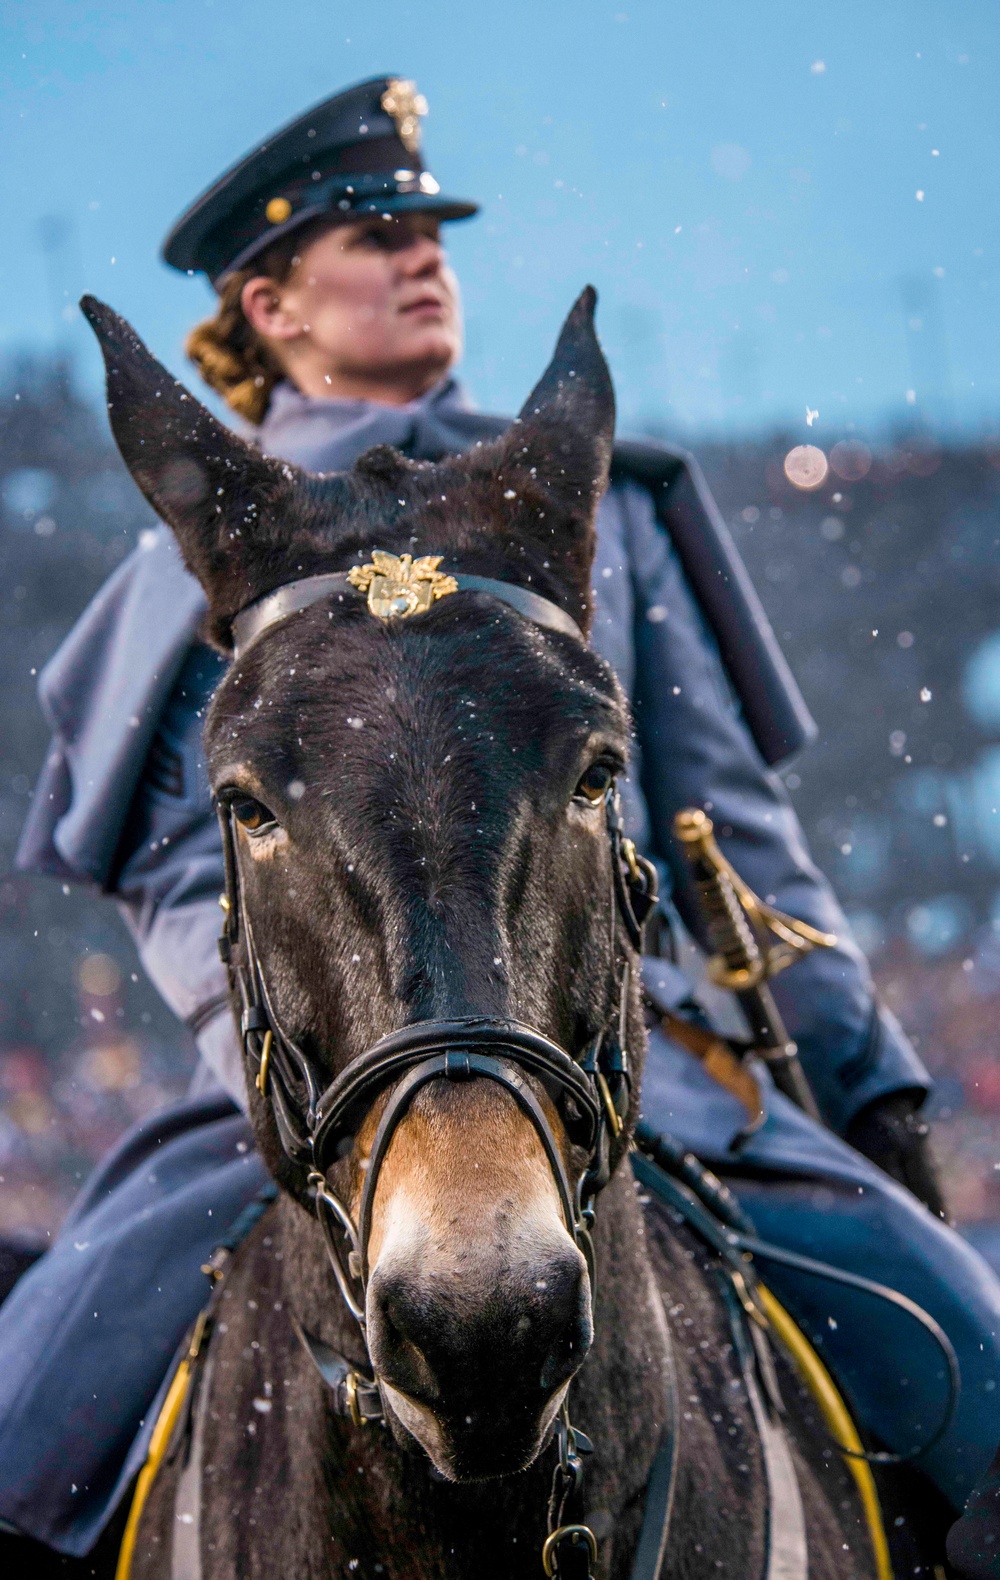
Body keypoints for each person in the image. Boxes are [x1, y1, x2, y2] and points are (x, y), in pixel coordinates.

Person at [1, 75, 998, 1562]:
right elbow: (164, 868)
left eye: (430, 230)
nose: (422, 254)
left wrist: (865, 1077)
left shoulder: (606, 504)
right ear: (267, 304)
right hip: (316, 1078)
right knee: (34, 1414)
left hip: (643, 1063)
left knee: (968, 1365)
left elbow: (732, 838)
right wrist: (317, 1078)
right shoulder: (201, 562)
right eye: (369, 232)